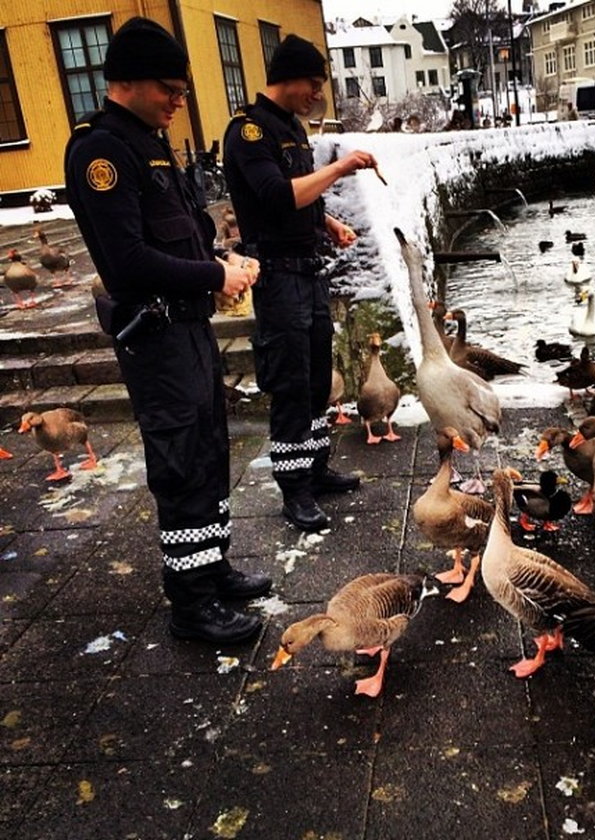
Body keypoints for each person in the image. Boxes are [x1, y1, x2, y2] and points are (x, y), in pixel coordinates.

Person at [64, 17, 272, 645]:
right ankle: (192, 604)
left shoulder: (152, 141)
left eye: (182, 89)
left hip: (188, 330)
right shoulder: (102, 151)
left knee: (210, 453)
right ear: (125, 82)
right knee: (180, 464)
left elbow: (187, 229)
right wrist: (212, 273)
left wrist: (222, 257)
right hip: (154, 337)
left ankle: (212, 569)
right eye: (169, 89)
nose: (180, 100)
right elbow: (127, 261)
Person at [223, 34, 378, 532]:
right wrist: (340, 167)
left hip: (307, 271)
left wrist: (328, 222)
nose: (318, 95)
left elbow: (302, 194)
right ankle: (294, 491)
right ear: (288, 78)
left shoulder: (290, 126)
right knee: (290, 383)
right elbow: (275, 194)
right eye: (313, 85)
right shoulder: (247, 133)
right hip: (278, 277)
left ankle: (314, 468)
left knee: (315, 380)